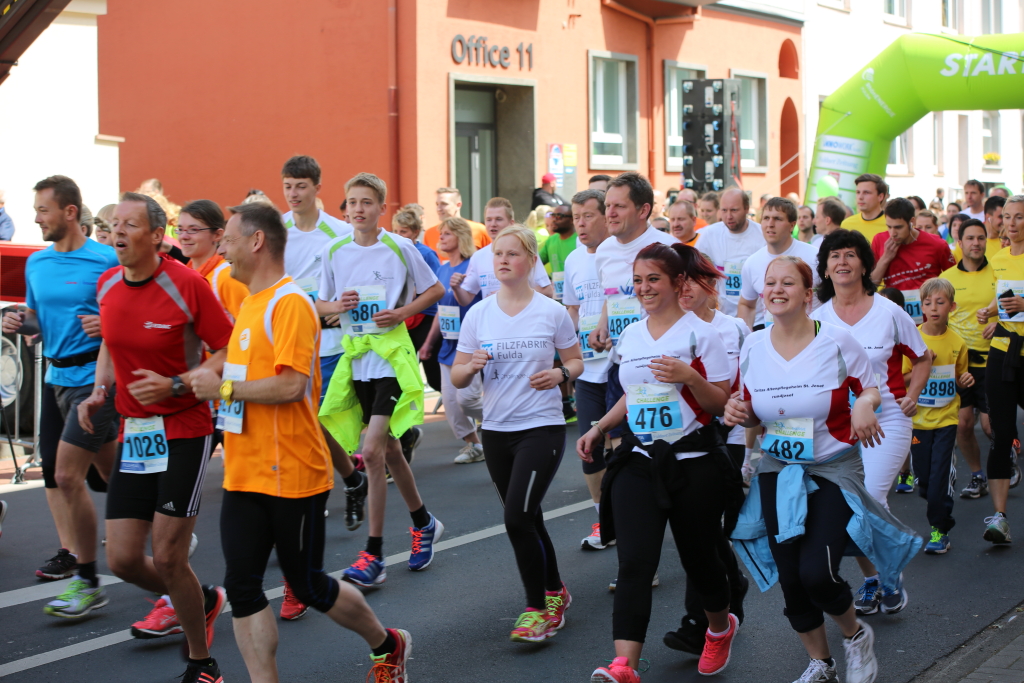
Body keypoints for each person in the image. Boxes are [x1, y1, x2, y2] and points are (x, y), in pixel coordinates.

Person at [188, 202, 412, 683]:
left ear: (256, 241)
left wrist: (223, 388)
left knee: (308, 585)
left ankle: (387, 644)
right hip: (243, 473)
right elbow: (235, 363)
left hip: (292, 473)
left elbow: (292, 386)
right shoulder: (249, 302)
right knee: (242, 589)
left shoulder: (289, 303)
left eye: (228, 240)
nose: (221, 249)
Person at [730, 255, 919, 683]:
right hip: (778, 471)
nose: (776, 290)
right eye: (770, 283)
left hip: (832, 468)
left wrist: (864, 407)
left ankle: (855, 636)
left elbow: (870, 389)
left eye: (787, 283)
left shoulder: (836, 341)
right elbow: (751, 411)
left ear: (807, 294)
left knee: (817, 572)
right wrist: (737, 412)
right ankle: (822, 663)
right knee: (792, 578)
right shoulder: (753, 345)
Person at [80, 192, 233, 683]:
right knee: (123, 559)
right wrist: (99, 389)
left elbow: (228, 349)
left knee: (168, 556)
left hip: (185, 428)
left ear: (155, 235)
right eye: (114, 224)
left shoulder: (186, 284)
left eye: (129, 224)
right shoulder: (108, 284)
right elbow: (111, 340)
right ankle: (200, 599)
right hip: (137, 432)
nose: (117, 232)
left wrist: (177, 384)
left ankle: (202, 663)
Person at [580, 242, 741, 681]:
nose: (644, 288)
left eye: (653, 279)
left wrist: (690, 377)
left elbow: (721, 403)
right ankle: (624, 666)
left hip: (693, 462)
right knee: (634, 563)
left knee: (700, 559)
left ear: (677, 282)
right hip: (640, 459)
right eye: (638, 280)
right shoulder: (632, 335)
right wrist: (599, 427)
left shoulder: (702, 334)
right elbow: (633, 394)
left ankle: (719, 628)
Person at [452, 224, 582, 643]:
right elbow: (456, 377)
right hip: (495, 430)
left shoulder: (551, 311)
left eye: (512, 253)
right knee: (529, 516)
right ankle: (555, 591)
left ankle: (536, 610)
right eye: (498, 254)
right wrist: (470, 367)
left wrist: (560, 374)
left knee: (516, 518)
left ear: (530, 260)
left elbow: (576, 361)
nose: (503, 260)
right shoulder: (479, 313)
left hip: (541, 427)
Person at [317, 172, 445, 586]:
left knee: (371, 451)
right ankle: (424, 523)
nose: (358, 209)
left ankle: (373, 555)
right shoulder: (333, 250)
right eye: (352, 202)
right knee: (389, 450)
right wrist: (337, 305)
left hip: (391, 358)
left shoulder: (400, 247)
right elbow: (319, 304)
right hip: (357, 359)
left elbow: (434, 290)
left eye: (367, 202)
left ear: (382, 208)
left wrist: (401, 313)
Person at [1, 176, 119, 611]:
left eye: (43, 210)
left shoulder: (106, 259)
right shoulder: (37, 263)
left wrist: (110, 325)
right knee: (102, 472)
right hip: (55, 379)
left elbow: (129, 314)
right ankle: (160, 515)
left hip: (95, 379)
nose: (36, 219)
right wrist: (18, 321)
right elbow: (37, 319)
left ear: (70, 212)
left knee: (69, 476)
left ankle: (87, 581)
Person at [811, 229, 930, 617]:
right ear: (825, 269)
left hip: (887, 420)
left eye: (850, 254)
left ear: (864, 264)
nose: (842, 261)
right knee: (849, 507)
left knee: (869, 499)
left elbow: (922, 356)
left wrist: (913, 394)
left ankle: (884, 576)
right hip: (837, 428)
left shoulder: (889, 312)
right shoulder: (816, 319)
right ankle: (878, 577)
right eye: (834, 256)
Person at [279, 155, 367, 619]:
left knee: (311, 429)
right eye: (288, 186)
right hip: (285, 344)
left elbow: (353, 285)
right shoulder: (276, 231)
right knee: (306, 432)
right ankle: (352, 477)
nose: (293, 194)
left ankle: (300, 569)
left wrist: (335, 307)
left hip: (329, 346)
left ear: (316, 187)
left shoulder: (337, 232)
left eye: (300, 186)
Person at [663, 254, 751, 655]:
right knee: (701, 530)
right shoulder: (662, 329)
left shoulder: (733, 328)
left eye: (691, 281)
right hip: (684, 441)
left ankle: (699, 621)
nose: (683, 290)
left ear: (709, 284)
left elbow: (748, 383)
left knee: (700, 529)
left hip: (727, 437)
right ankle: (731, 586)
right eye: (677, 282)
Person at [901, 278, 972, 554]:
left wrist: (965, 380)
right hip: (918, 421)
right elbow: (902, 379)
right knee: (925, 481)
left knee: (938, 480)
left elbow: (960, 376)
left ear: (951, 307)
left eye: (940, 303)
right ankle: (936, 498)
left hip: (946, 420)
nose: (933, 308)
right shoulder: (912, 341)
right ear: (921, 307)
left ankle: (939, 530)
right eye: (928, 303)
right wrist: (923, 364)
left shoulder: (957, 342)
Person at [563, 189, 613, 549]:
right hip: (588, 369)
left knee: (624, 447)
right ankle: (604, 521)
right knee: (589, 448)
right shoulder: (573, 260)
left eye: (588, 216)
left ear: (606, 217)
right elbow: (572, 309)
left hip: (621, 365)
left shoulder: (622, 254)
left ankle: (632, 518)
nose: (580, 224)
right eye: (575, 217)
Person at [974, 194, 1024, 544]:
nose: (1012, 223)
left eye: (1019, 217)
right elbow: (1003, 296)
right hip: (1004, 350)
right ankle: (1000, 518)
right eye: (1007, 216)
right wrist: (990, 310)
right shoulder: (1000, 257)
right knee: (1000, 432)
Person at [419, 216, 485, 464]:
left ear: (460, 236)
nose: (441, 238)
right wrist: (428, 342)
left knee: (467, 400)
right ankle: (474, 445)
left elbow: (474, 301)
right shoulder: (442, 269)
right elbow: (441, 310)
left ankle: (507, 420)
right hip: (447, 344)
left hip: (469, 343)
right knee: (450, 402)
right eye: (441, 233)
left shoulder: (472, 266)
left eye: (447, 233)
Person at [941, 219, 997, 498]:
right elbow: (940, 319)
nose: (976, 243)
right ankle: (977, 476)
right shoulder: (947, 278)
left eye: (981, 238)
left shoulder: (998, 272)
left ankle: (1007, 452)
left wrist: (999, 325)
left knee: (989, 426)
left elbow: (1013, 311)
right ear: (960, 243)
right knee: (962, 425)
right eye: (971, 238)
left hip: (993, 359)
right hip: (960, 363)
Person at [737, 197, 819, 331]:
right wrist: (747, 336)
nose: (770, 224)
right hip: (772, 338)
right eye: (766, 218)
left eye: (777, 219)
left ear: (792, 225)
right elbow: (747, 304)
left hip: (812, 337)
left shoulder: (815, 257)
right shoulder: (752, 263)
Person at [870, 198, 956, 324]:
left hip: (929, 321)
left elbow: (954, 281)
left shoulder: (937, 244)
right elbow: (871, 285)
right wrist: (885, 259)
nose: (893, 233)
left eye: (898, 227)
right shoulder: (880, 240)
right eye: (889, 227)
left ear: (912, 222)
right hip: (894, 318)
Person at [455, 197, 553, 304]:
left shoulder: (523, 251)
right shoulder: (478, 256)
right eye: (489, 219)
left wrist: (506, 295)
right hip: (492, 315)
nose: (493, 224)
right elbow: (465, 299)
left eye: (498, 219)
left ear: (511, 223)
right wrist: (456, 288)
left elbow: (547, 291)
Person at [392, 207, 442, 397]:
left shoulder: (426, 253)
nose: (399, 235)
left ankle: (457, 401)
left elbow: (437, 285)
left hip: (425, 316)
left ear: (415, 232)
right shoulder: (391, 252)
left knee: (434, 376)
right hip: (403, 318)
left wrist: (416, 290)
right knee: (402, 373)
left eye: (403, 231)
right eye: (395, 231)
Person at [693, 188, 765, 318]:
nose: (729, 216)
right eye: (724, 210)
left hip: (758, 318)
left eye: (734, 210)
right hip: (725, 317)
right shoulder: (710, 234)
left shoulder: (762, 235)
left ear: (747, 209)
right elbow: (695, 270)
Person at [179, 200, 249, 322]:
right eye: (180, 229)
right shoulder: (185, 275)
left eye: (193, 229)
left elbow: (250, 325)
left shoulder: (227, 277)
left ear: (217, 235)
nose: (184, 236)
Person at [422, 187, 490, 254]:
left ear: (458, 205)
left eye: (444, 204)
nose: (438, 209)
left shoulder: (479, 230)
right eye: (437, 204)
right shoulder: (429, 233)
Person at [538, 203, 578, 301]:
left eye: (559, 216)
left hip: (577, 298)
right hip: (558, 299)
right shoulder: (551, 240)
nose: (554, 220)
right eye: (553, 216)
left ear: (572, 220)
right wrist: (545, 282)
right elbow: (535, 262)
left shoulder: (580, 240)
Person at [955, 196, 1006, 262]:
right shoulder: (966, 242)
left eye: (1007, 217)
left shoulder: (1008, 243)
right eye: (1001, 217)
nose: (1005, 221)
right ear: (988, 217)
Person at [841, 174, 889, 242]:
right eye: (858, 192)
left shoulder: (891, 225)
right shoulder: (846, 224)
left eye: (866, 192)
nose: (860, 197)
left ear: (880, 197)